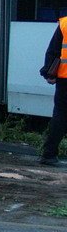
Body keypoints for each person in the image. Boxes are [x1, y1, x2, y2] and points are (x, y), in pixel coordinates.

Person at [38, 16, 67, 166]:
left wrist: (49, 73)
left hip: (65, 78)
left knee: (61, 114)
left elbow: (53, 50)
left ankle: (49, 155)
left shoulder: (65, 23)